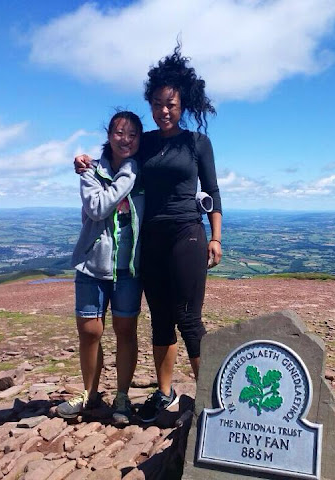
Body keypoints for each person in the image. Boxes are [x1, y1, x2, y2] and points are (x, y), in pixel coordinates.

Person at [75, 44, 222, 423]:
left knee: (188, 317)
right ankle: (165, 393)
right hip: (151, 241)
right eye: (157, 104)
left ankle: (213, 400)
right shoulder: (148, 142)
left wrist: (216, 236)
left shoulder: (197, 143)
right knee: (160, 319)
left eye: (170, 104)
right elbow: (115, 155)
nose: (163, 111)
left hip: (188, 233)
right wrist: (85, 160)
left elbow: (213, 190)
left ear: (183, 104)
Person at [59, 111, 144, 426]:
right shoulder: (91, 171)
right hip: (92, 265)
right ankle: (90, 393)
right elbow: (97, 208)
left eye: (133, 134)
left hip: (128, 268)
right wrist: (128, 174)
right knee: (89, 331)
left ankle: (121, 397)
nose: (126, 139)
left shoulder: (145, 171)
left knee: (126, 331)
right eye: (120, 133)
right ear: (109, 135)